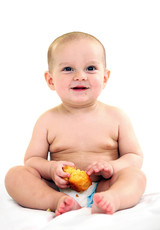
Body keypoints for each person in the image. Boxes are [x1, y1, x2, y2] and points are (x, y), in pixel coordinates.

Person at [5, 31, 146, 217]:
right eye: (68, 69)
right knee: (15, 175)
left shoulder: (117, 117)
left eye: (90, 68)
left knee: (136, 177)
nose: (80, 76)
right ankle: (57, 201)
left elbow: (134, 156)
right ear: (50, 80)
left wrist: (112, 167)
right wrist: (51, 169)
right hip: (57, 187)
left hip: (104, 186)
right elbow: (31, 160)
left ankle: (113, 199)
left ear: (104, 78)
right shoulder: (47, 120)